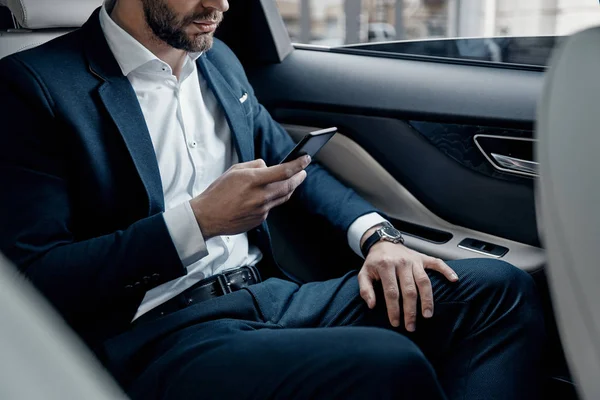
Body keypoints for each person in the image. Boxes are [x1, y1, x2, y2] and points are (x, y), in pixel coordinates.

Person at [0, 0, 544, 399]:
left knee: (498, 289)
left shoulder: (218, 61)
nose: (220, 5)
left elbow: (295, 168)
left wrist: (379, 238)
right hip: (158, 333)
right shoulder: (32, 86)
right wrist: (198, 222)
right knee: (385, 362)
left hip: (272, 296)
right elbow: (35, 278)